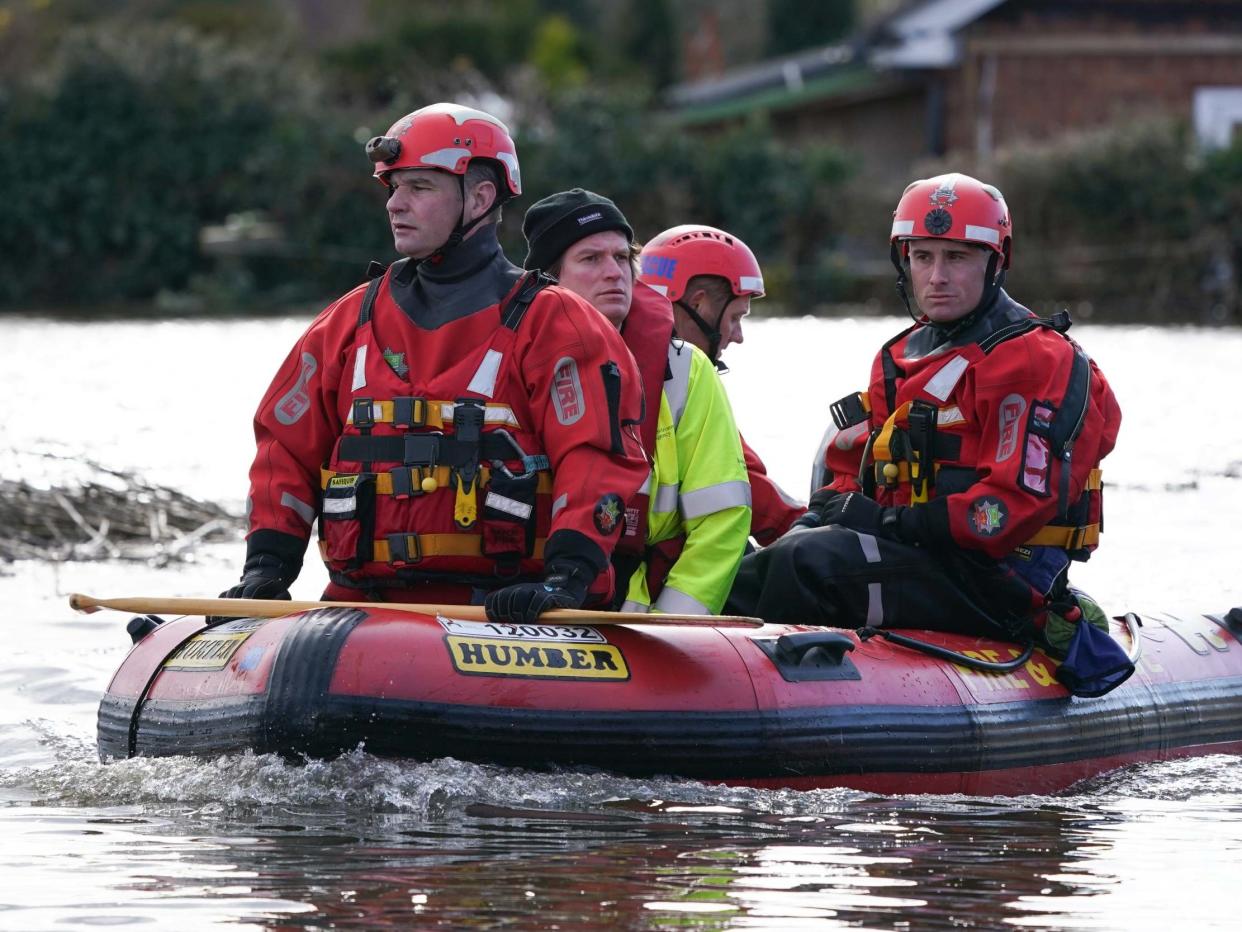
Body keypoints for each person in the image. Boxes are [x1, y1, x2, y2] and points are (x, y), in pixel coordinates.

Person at [217, 103, 649, 625]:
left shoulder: (557, 324)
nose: (395, 205)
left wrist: (565, 581)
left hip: (508, 610)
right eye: (393, 188)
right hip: (362, 610)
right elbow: (284, 449)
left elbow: (596, 461)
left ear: (481, 198)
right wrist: (267, 567)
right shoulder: (349, 321)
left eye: (419, 188)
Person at [726, 172, 1123, 652]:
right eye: (922, 257)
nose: (936, 277)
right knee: (770, 557)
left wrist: (885, 524)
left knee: (809, 562)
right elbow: (859, 472)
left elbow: (1002, 514)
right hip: (919, 556)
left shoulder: (1034, 359)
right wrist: (823, 513)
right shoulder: (899, 357)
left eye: (956, 258)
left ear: (994, 263)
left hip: (998, 580)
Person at [522, 190, 751, 614]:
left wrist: (675, 625)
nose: (615, 272)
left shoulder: (686, 371)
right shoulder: (512, 362)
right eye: (591, 259)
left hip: (637, 612)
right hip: (520, 604)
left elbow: (722, 519)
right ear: (549, 279)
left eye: (623, 257)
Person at [638, 226, 805, 546]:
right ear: (698, 305)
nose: (738, 336)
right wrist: (811, 526)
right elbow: (747, 483)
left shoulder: (608, 359)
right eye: (735, 318)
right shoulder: (684, 382)